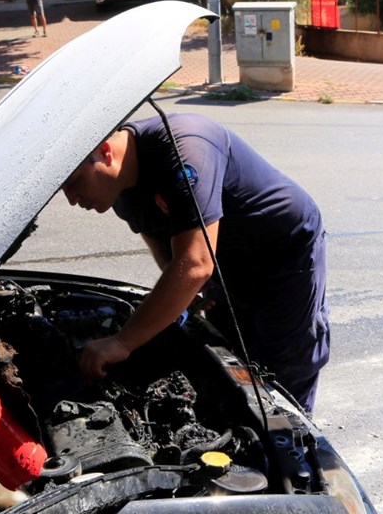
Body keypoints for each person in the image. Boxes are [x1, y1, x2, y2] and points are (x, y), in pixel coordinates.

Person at [61, 113, 330, 412]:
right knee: (229, 363)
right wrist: (188, 290)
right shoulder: (121, 187)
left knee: (282, 371)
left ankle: (294, 450)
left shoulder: (184, 150)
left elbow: (194, 265)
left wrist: (122, 342)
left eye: (74, 183)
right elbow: (158, 236)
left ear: (105, 154)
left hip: (281, 255)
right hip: (224, 261)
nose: (71, 199)